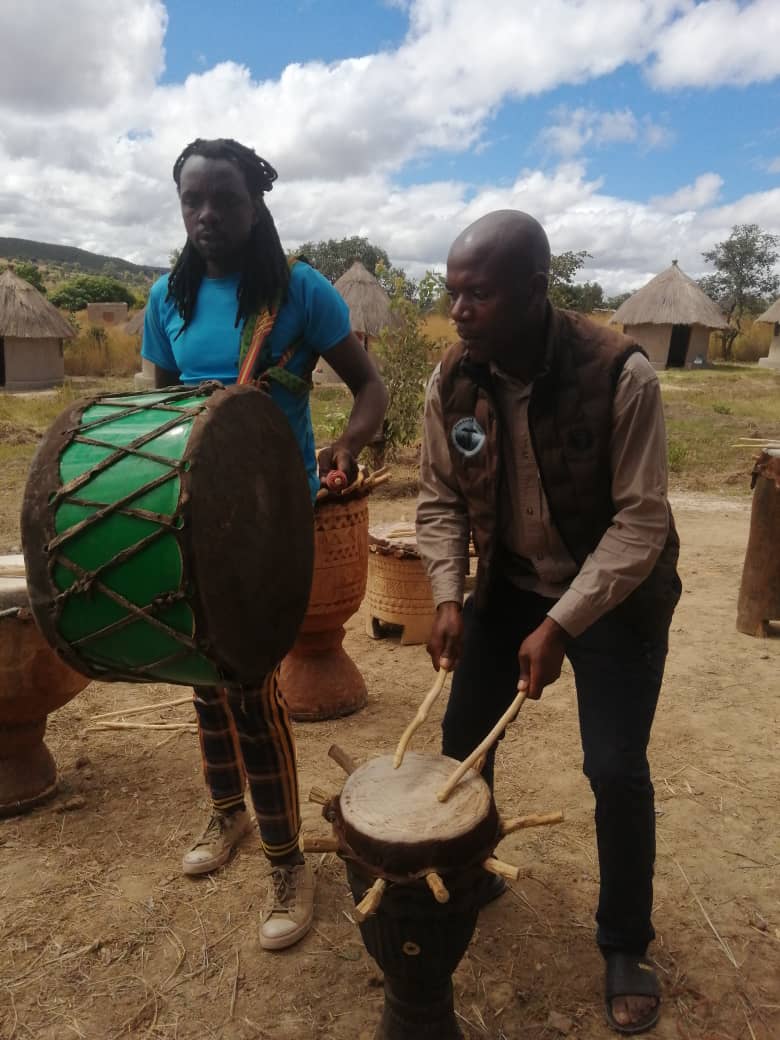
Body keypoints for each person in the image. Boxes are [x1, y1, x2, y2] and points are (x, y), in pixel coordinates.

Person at [415, 210, 681, 1034]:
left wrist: (563, 625)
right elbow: (439, 499)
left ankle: (624, 943)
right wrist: (448, 596)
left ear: (536, 291)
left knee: (613, 768)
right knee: (462, 747)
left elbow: (641, 524)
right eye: (452, 292)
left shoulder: (620, 374)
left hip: (615, 593)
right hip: (510, 586)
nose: (459, 311)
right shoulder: (453, 381)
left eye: (479, 294)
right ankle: (468, 874)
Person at [141, 138, 388, 950]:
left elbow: (370, 389)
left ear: (257, 204)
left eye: (225, 201)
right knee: (201, 672)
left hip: (274, 518)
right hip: (189, 517)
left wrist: (346, 446)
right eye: (192, 202)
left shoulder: (298, 293)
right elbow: (158, 418)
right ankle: (227, 817)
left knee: (249, 682)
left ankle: (286, 859)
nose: (207, 216)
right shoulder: (165, 301)